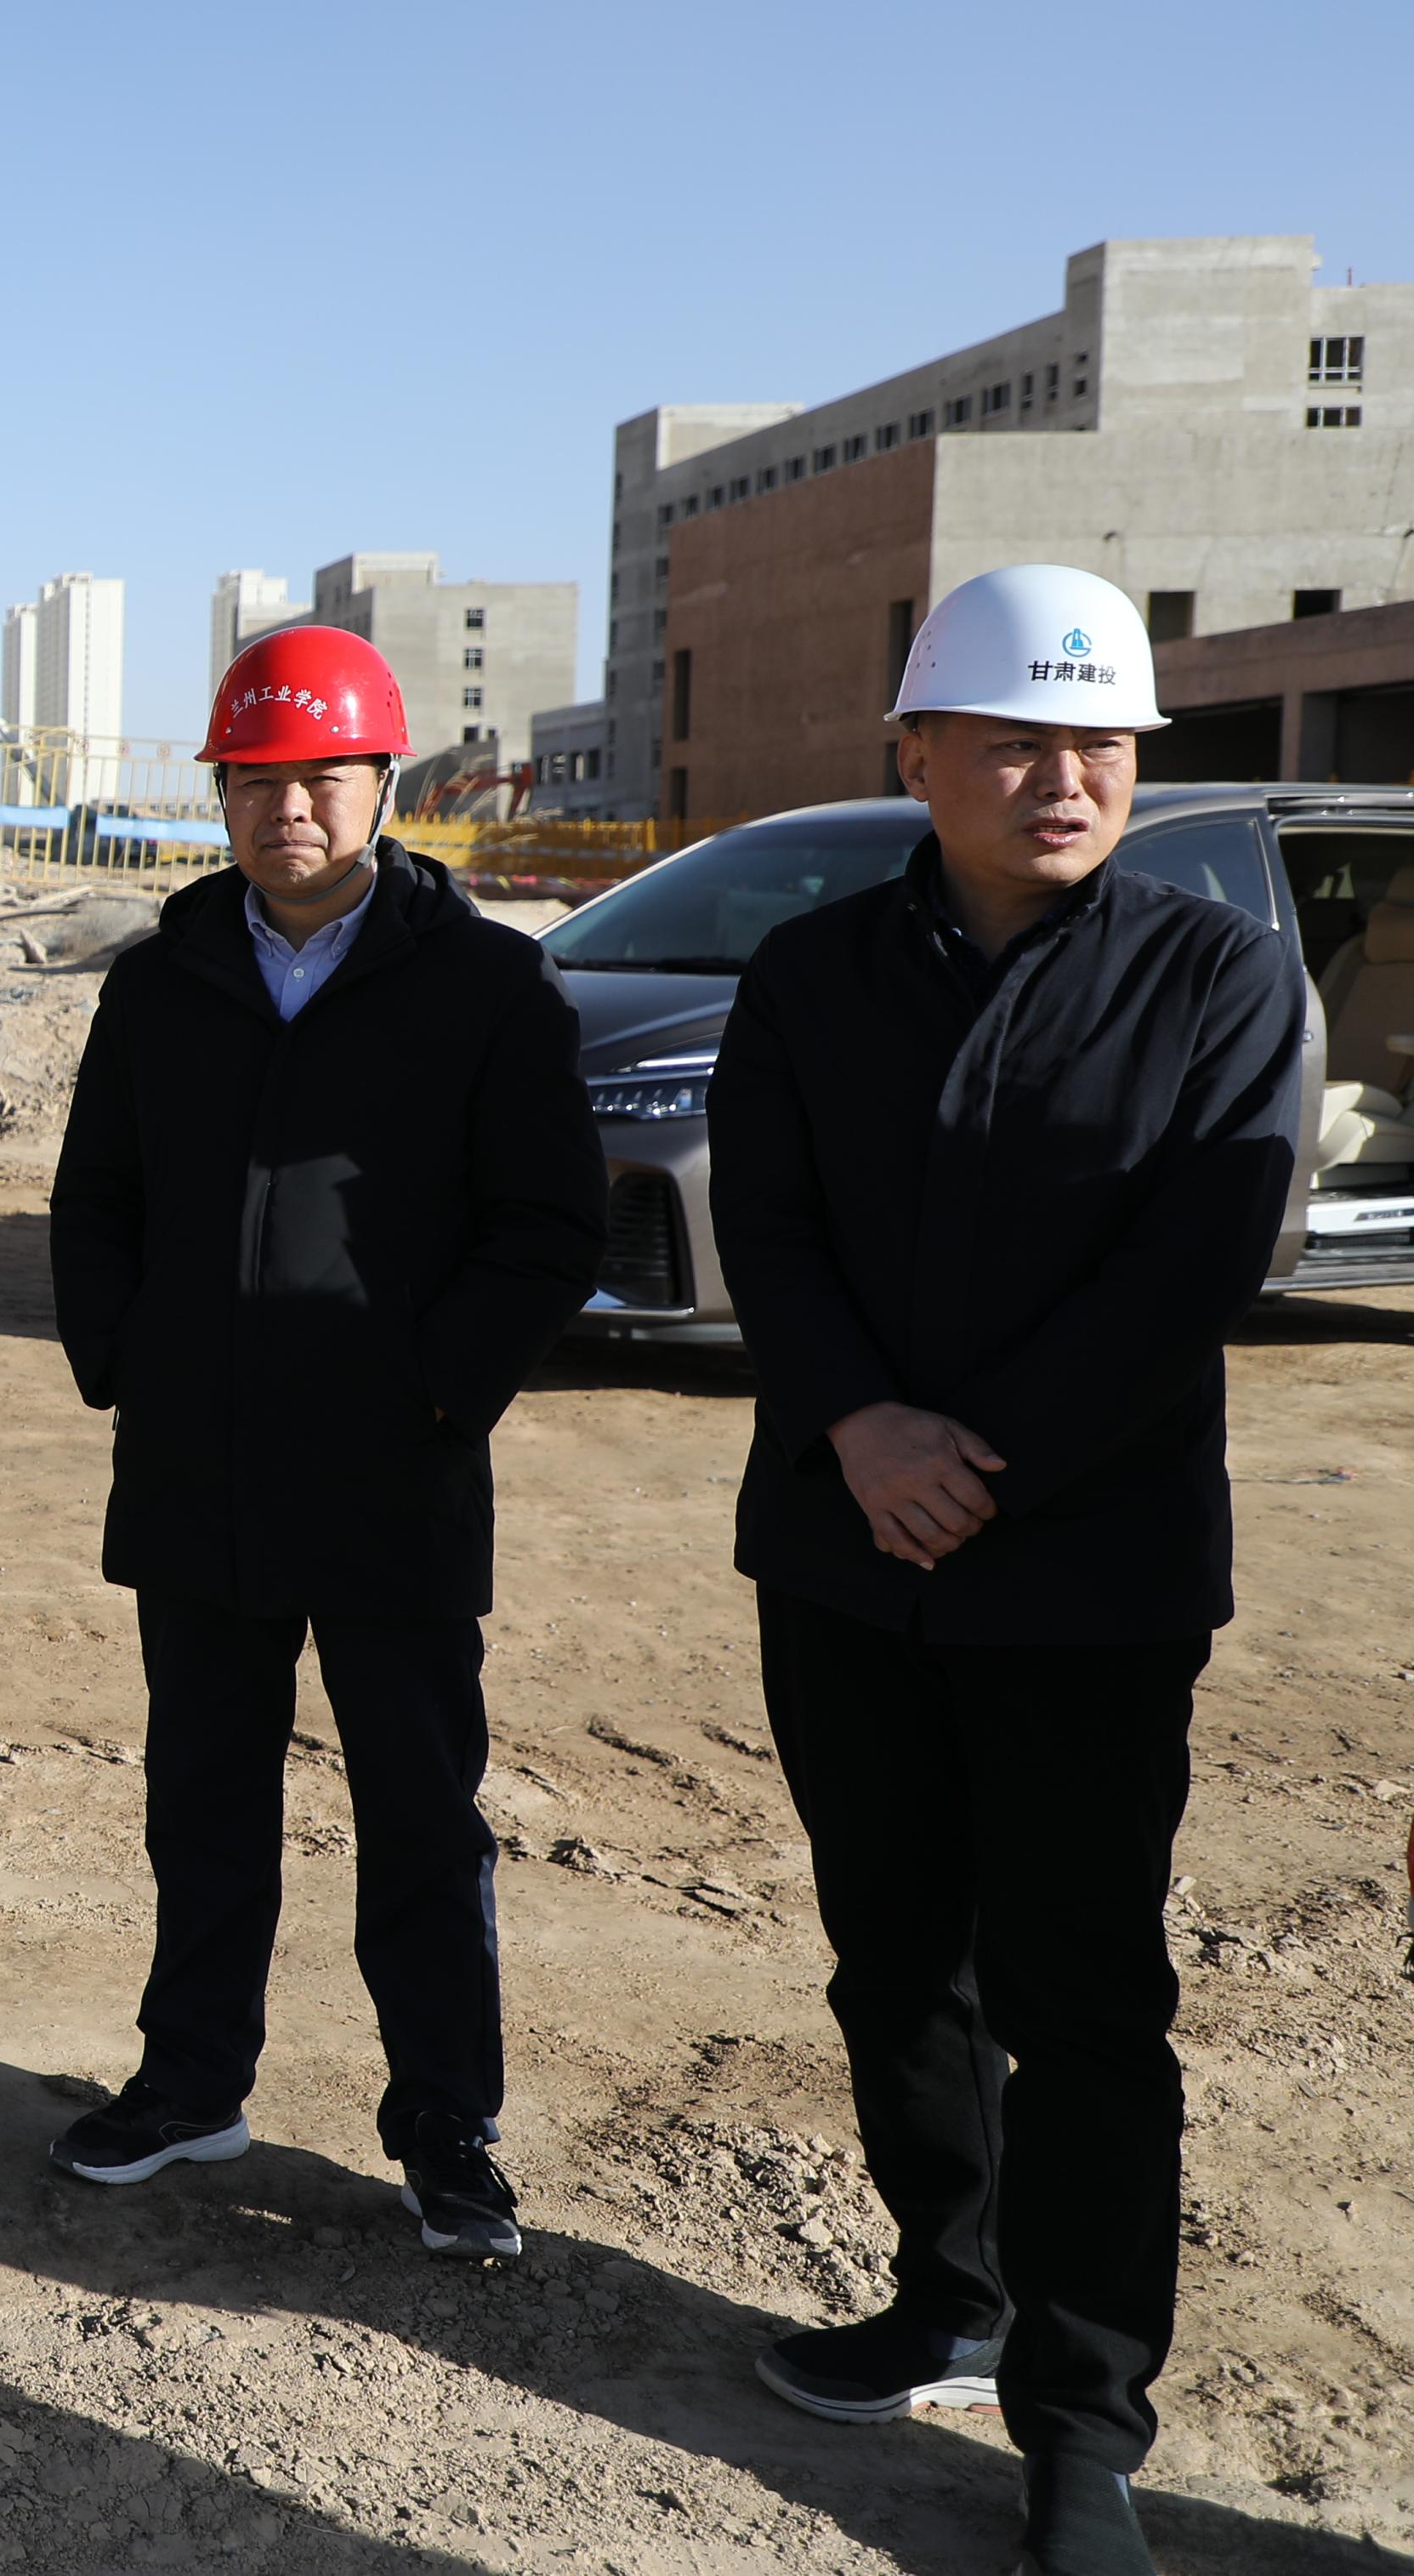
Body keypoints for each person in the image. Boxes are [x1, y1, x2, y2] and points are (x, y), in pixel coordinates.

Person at [709, 566, 1308, 2576]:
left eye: (1101, 745)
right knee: (894, 1959)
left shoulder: (1213, 980)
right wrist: (858, 1431)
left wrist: (977, 1463)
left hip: (1088, 1577)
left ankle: (1080, 2426)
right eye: (1019, 742)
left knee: (1082, 1998)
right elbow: (768, 1231)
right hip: (844, 1558)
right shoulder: (810, 976)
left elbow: (1191, 1266)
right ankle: (944, 2293)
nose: (1066, 778)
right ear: (917, 755)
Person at [44, 623, 602, 2257]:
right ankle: (191, 2078)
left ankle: (446, 2124)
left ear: (381, 782)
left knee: (419, 1811)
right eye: (257, 779)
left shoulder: (485, 984)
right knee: (203, 1795)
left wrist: (438, 1389)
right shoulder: (160, 983)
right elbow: (95, 1198)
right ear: (218, 791)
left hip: (389, 1474)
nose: (288, 807)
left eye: (321, 776)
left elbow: (547, 1225)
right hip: (196, 1465)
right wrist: (124, 1360)